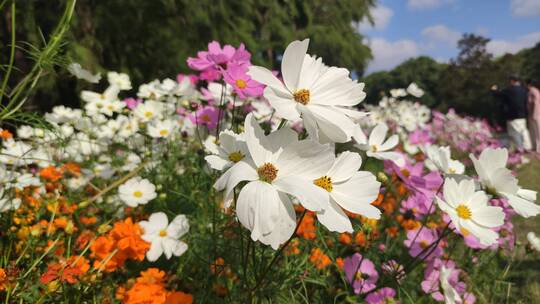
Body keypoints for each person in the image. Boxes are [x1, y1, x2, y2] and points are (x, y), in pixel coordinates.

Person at [491, 75, 532, 151]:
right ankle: (527, 147)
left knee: (514, 133)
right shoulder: (524, 90)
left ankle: (519, 148)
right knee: (523, 131)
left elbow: (498, 94)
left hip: (512, 116)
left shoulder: (509, 90)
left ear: (512, 81)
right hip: (523, 115)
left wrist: (494, 89)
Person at [527, 79, 540, 152]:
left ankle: (537, 147)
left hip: (536, 114)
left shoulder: (533, 91)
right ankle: (535, 146)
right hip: (533, 114)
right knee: (534, 131)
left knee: (537, 131)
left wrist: (534, 114)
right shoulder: (533, 91)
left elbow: (536, 103)